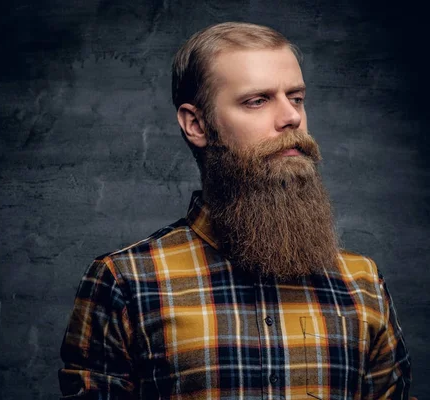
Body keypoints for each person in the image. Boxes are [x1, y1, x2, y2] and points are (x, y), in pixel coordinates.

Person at [59, 22, 412, 399]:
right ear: (196, 124)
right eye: (257, 100)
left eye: (296, 97)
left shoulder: (362, 282)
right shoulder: (125, 281)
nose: (291, 117)